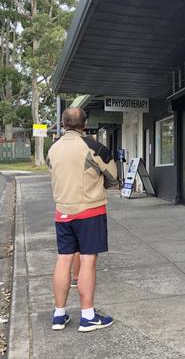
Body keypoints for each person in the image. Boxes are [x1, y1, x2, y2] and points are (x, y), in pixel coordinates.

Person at [47, 107, 118, 332]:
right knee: (87, 261)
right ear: (84, 124)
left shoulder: (53, 148)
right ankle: (87, 316)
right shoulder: (94, 147)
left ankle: (59, 315)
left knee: (64, 259)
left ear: (63, 123)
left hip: (63, 212)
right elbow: (114, 177)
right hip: (90, 211)